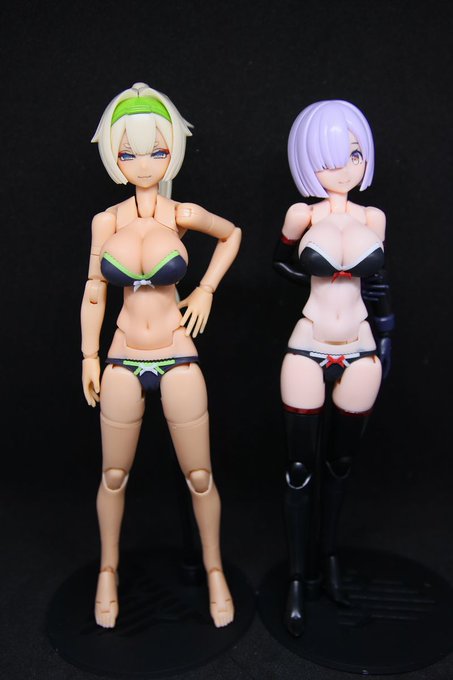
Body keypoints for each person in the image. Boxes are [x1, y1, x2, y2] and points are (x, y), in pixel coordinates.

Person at [80, 82, 241, 629]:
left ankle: (215, 570)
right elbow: (95, 292)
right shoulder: (107, 221)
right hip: (122, 355)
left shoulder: (182, 213)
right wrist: (88, 355)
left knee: (200, 474)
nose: (145, 163)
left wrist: (206, 290)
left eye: (157, 150)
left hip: (176, 351)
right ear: (114, 156)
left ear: (173, 150)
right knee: (113, 474)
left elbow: (232, 235)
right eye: (129, 152)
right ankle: (107, 571)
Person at [273, 100, 394, 636]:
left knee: (340, 464)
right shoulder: (304, 216)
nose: (344, 169)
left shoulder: (373, 219)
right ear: (308, 162)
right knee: (300, 469)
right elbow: (279, 263)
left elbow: (382, 286)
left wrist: (387, 338)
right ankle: (298, 578)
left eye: (353, 154)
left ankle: (329, 560)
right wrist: (314, 276)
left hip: (362, 347)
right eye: (329, 159)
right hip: (308, 345)